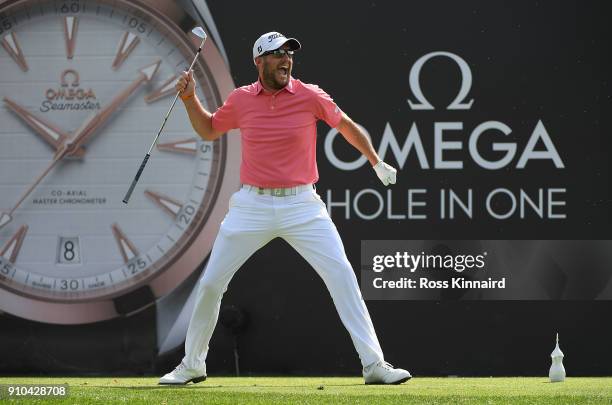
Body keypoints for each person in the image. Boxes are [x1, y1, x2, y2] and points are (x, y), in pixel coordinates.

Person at [159, 31, 410, 385]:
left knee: (341, 275)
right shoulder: (241, 99)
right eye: (277, 55)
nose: (286, 60)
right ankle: (193, 364)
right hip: (251, 205)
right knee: (212, 283)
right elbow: (209, 130)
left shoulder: (309, 95)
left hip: (302, 205)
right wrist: (189, 99)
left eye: (289, 54)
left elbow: (346, 126)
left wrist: (374, 160)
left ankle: (374, 365)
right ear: (259, 62)